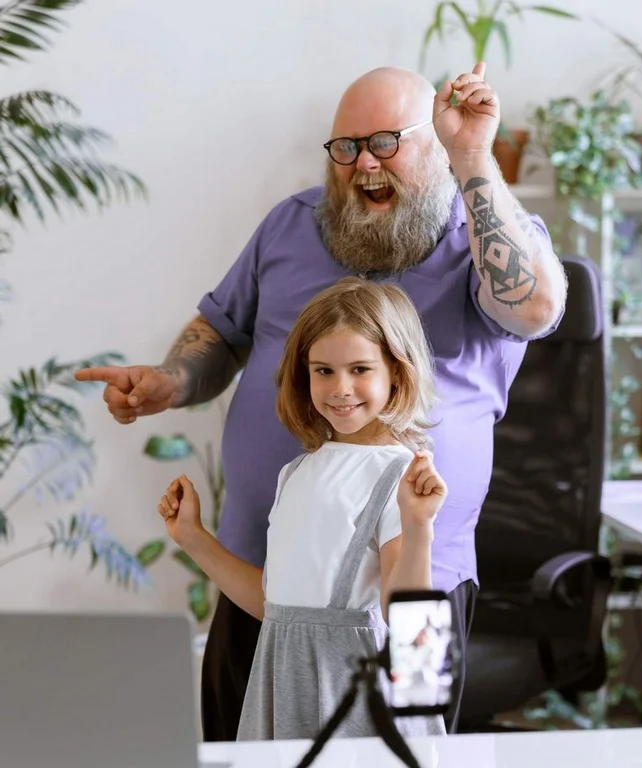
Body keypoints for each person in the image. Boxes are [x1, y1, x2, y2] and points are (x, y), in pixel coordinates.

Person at [75, 61, 567, 738]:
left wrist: (474, 156)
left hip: (423, 582)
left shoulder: (477, 237)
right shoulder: (291, 225)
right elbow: (220, 329)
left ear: (436, 142)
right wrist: (171, 380)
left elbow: (535, 307)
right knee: (241, 746)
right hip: (268, 575)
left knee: (408, 751)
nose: (363, 162)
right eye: (346, 147)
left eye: (386, 142)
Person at [157, 277, 447, 739]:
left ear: (397, 370)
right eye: (323, 371)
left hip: (351, 690)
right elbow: (275, 606)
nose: (340, 387)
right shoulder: (295, 473)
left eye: (360, 368)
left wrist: (418, 527)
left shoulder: (400, 475)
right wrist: (193, 538)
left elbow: (406, 617)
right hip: (280, 676)